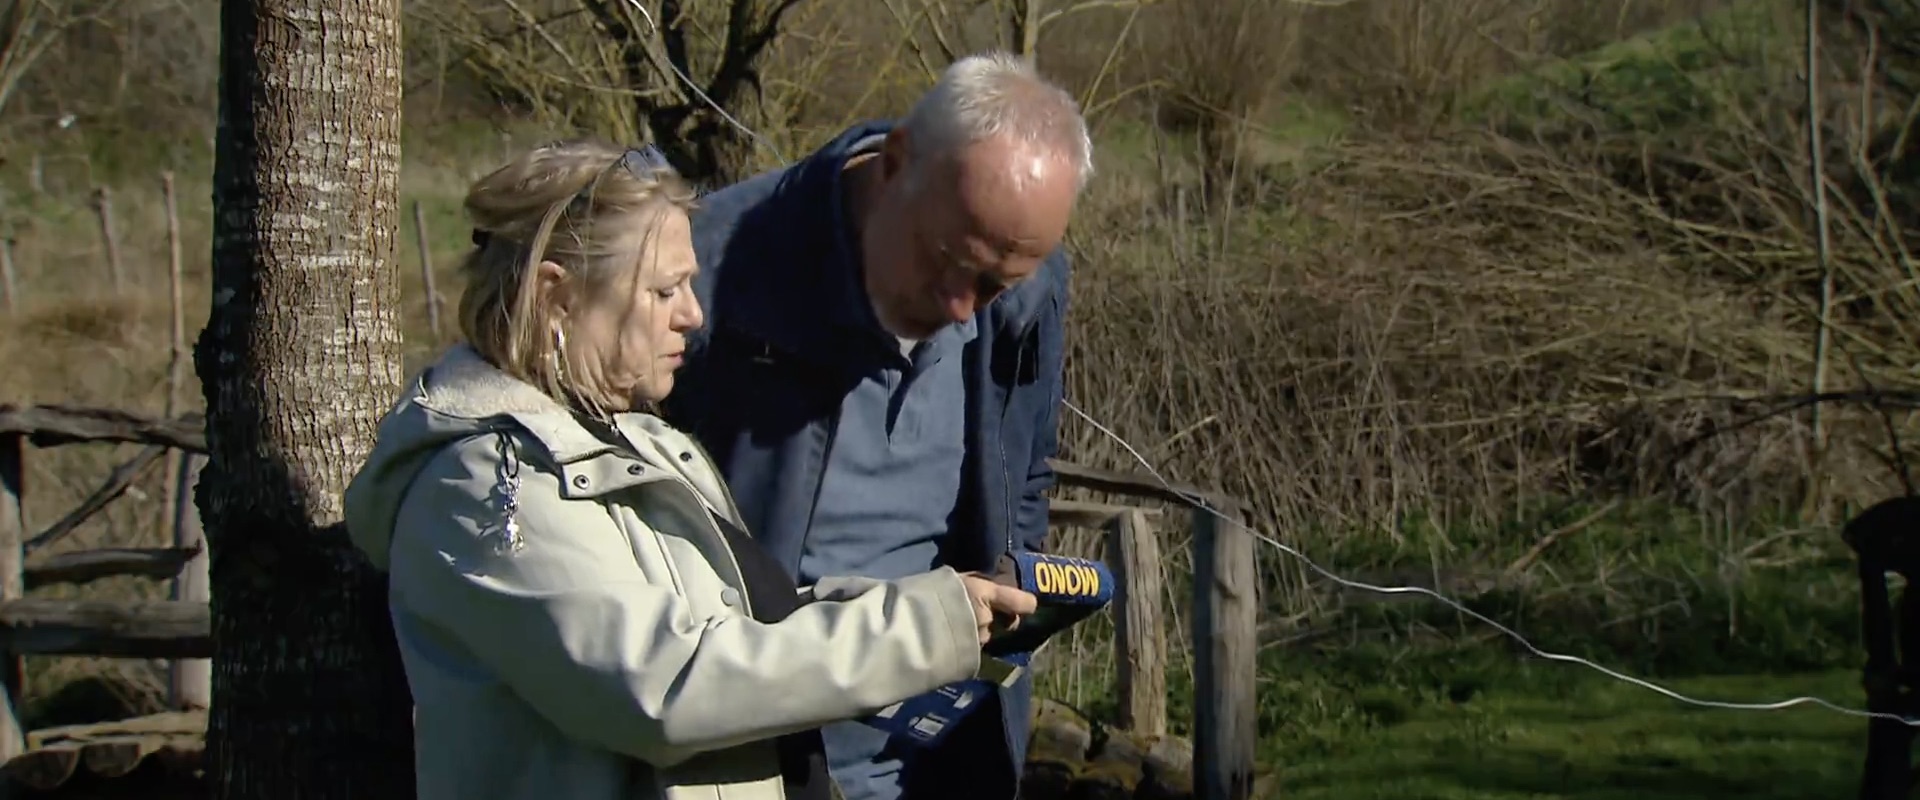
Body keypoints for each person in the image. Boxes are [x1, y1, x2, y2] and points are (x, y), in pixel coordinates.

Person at [340, 139, 1039, 800]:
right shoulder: (485, 491)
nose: (694, 316)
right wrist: (917, 629)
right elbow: (668, 684)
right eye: (664, 291)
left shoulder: (637, 440)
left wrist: (942, 611)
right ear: (557, 296)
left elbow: (742, 623)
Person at [660, 52, 1092, 800]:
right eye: (949, 260)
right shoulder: (711, 273)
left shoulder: (1029, 289)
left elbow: (1025, 480)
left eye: (996, 282)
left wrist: (1014, 589)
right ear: (896, 162)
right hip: (742, 762)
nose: (964, 305)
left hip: (934, 762)